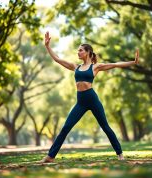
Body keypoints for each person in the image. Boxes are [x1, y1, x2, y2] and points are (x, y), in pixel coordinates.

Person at [41, 31, 139, 163]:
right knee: (66, 127)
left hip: (92, 99)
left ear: (87, 52)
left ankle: (120, 153)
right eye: (78, 50)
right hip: (80, 101)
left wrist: (133, 62)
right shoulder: (75, 67)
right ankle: (50, 156)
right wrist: (47, 46)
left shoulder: (95, 67)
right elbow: (57, 59)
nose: (78, 52)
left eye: (80, 50)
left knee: (105, 127)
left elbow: (115, 64)